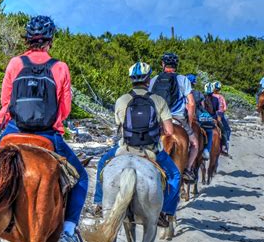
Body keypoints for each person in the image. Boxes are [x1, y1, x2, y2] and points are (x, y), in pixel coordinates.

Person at [0, 16, 88, 242]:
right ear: (50, 40)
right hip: (47, 134)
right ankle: (68, 231)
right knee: (82, 178)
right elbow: (64, 109)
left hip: (14, 130)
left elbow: (6, 101)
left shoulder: (15, 63)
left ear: (28, 39)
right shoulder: (60, 67)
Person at [93, 62, 181, 227]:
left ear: (131, 79)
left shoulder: (122, 100)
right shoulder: (158, 100)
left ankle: (98, 202)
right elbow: (169, 131)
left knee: (101, 163)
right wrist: (155, 130)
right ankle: (165, 211)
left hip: (125, 147)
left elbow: (121, 125)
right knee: (175, 175)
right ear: (148, 79)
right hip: (151, 149)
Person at [149, 53, 197, 182]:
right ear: (176, 65)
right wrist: (190, 123)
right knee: (195, 144)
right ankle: (187, 170)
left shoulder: (154, 79)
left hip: (158, 119)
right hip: (177, 117)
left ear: (162, 64)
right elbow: (191, 103)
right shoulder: (183, 79)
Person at [198, 83, 219, 160]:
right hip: (210, 118)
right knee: (222, 129)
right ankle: (223, 145)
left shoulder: (200, 96)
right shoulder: (216, 99)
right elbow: (216, 110)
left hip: (200, 116)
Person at [212, 81, 231, 154]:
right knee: (227, 130)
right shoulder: (221, 97)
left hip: (211, 114)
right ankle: (225, 145)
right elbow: (225, 108)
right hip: (220, 114)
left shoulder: (208, 96)